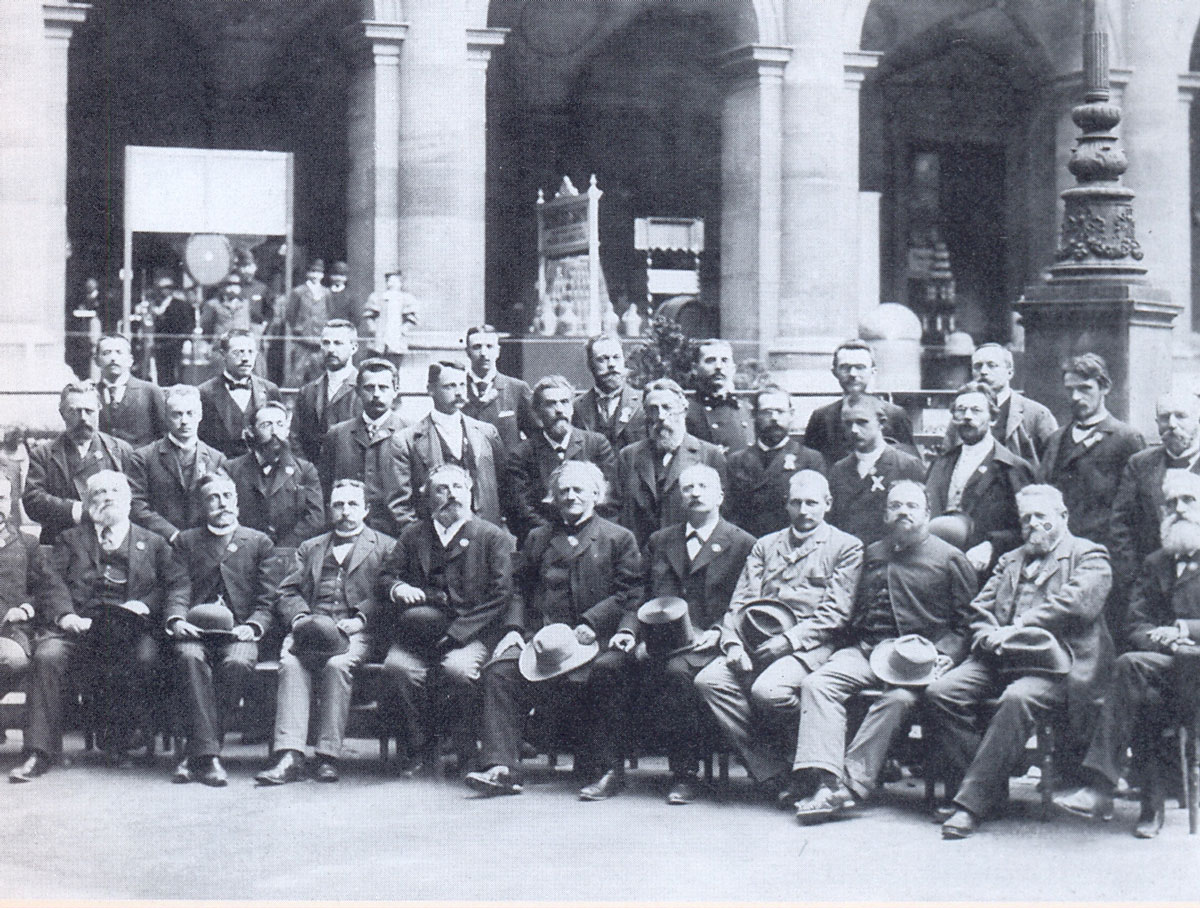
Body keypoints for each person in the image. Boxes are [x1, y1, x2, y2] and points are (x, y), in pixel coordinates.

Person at [926, 484, 1113, 840]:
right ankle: (989, 790)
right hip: (1000, 658)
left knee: (1017, 698)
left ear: (1063, 516)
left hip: (1058, 663)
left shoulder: (1090, 555)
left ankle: (970, 805)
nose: (1032, 525)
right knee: (941, 693)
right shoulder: (1010, 559)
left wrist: (1017, 627)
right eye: (1026, 519)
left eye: (1041, 516)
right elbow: (979, 608)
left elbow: (1075, 605)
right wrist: (987, 635)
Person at [790, 480, 978, 822]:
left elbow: (967, 624)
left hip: (917, 660)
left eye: (911, 506)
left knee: (898, 701)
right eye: (895, 506)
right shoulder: (874, 553)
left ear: (927, 514)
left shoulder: (951, 558)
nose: (903, 512)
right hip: (867, 650)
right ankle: (825, 781)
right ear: (885, 513)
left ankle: (847, 788)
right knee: (818, 684)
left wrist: (945, 655)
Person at [464, 461, 642, 800]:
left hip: (596, 637)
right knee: (501, 672)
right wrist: (514, 629)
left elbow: (630, 593)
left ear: (596, 494)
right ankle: (501, 768)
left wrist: (592, 622)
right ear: (553, 498)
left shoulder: (618, 538)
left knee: (608, 671)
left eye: (579, 490)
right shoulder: (538, 538)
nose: (571, 496)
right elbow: (519, 588)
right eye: (563, 491)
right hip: (544, 640)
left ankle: (608, 770)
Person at [694, 470, 862, 794]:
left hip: (811, 646)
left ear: (828, 504)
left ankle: (815, 759)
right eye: (796, 503)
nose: (804, 511)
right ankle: (772, 772)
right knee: (710, 680)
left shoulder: (846, 547)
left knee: (769, 691)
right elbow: (740, 602)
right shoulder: (765, 545)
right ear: (786, 504)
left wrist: (788, 641)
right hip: (754, 642)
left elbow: (835, 614)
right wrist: (733, 645)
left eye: (812, 503)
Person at [14, 471, 189, 780]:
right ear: (87, 502)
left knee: (147, 657)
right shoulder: (69, 539)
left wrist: (145, 605)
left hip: (132, 627)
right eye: (99, 493)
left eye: (115, 491)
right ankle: (39, 752)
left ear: (129, 500)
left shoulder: (153, 542)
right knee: (47, 656)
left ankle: (126, 737)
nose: (108, 497)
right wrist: (66, 615)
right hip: (78, 625)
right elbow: (50, 582)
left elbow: (173, 584)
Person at [1054, 469, 1200, 838]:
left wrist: (1184, 630)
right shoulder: (1156, 563)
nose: (1179, 509)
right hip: (1166, 669)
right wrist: (1165, 641)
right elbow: (1136, 625)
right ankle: (1150, 811)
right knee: (1143, 698)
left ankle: (1101, 787)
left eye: (1189, 500)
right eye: (1171, 503)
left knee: (1130, 669)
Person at [610, 464, 755, 804]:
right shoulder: (660, 540)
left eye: (703, 486)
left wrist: (719, 632)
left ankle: (684, 773)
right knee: (612, 666)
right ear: (679, 497)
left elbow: (746, 601)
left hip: (711, 641)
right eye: (687, 488)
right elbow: (641, 594)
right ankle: (607, 770)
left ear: (720, 496)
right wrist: (634, 633)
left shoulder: (742, 543)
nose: (695, 493)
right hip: (659, 639)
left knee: (677, 672)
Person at [256, 479, 395, 785]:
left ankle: (327, 755)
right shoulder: (310, 547)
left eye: (353, 504)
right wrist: (300, 618)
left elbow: (387, 593)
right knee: (291, 664)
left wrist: (361, 619)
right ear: (330, 509)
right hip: (310, 627)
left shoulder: (386, 547)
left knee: (337, 665)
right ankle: (290, 755)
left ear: (366, 509)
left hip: (354, 631)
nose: (345, 511)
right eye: (339, 505)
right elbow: (287, 590)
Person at [377, 464, 515, 770]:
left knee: (458, 671)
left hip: (470, 632)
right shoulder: (413, 534)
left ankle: (465, 749)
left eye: (458, 487)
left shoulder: (492, 536)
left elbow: (501, 595)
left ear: (470, 493)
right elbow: (385, 578)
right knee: (397, 669)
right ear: (428, 498)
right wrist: (399, 587)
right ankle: (417, 751)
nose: (451, 495)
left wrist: (458, 634)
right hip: (418, 633)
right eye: (442, 489)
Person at [167, 473, 275, 787]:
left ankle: (196, 755)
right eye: (213, 498)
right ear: (202, 505)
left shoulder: (258, 542)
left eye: (227, 496)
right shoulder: (186, 541)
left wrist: (254, 625)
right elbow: (178, 589)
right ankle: (209, 757)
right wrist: (177, 620)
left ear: (237, 502)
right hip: (196, 631)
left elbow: (268, 598)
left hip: (240, 630)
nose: (222, 504)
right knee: (189, 659)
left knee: (238, 663)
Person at [1038, 353, 1144, 560]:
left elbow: (1136, 512)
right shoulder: (1055, 440)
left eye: (1085, 388)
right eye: (1070, 389)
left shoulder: (1127, 439)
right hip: (1059, 553)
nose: (1076, 397)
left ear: (1105, 388)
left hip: (1106, 554)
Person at [925, 382, 1035, 573]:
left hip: (989, 571)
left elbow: (1033, 526)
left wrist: (993, 546)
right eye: (961, 410)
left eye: (976, 410)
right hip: (937, 568)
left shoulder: (1012, 468)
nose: (967, 416)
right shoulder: (940, 464)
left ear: (993, 418)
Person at [389, 360, 506, 531]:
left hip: (483, 535)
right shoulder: (406, 440)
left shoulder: (486, 432)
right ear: (430, 389)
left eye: (462, 385)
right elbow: (400, 504)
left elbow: (504, 487)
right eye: (450, 386)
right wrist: (420, 539)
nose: (458, 392)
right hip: (433, 537)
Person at [0, 473, 66, 773]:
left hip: (11, 633)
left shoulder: (26, 543)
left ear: (11, 502)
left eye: (2, 498)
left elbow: (46, 588)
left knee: (12, 660)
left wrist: (28, 607)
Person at [615, 378, 727, 548]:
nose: (660, 416)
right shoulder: (629, 456)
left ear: (684, 410)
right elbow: (615, 508)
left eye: (667, 408)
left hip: (687, 552)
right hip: (639, 554)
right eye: (653, 409)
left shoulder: (709, 455)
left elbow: (723, 513)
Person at [509, 375, 616, 541]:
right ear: (536, 411)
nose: (559, 410)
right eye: (550, 404)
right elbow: (522, 511)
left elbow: (609, 500)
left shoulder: (597, 445)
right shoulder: (522, 455)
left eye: (565, 402)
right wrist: (559, 539)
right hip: (543, 543)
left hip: (593, 540)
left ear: (572, 408)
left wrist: (583, 536)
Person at [24, 381, 133, 544]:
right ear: (62, 413)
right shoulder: (43, 454)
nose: (83, 418)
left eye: (89, 411)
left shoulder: (120, 450)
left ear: (99, 410)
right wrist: (78, 511)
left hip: (109, 543)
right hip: (61, 543)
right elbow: (33, 501)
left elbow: (136, 498)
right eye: (74, 411)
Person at [1111, 390, 1200, 584]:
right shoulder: (1140, 464)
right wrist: (1136, 579)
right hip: (1152, 581)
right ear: (1157, 422)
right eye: (1165, 418)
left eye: (1181, 416)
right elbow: (1121, 525)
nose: (1172, 424)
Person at [318, 358, 408, 538]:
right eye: (369, 388)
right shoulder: (337, 434)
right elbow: (325, 486)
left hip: (395, 533)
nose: (376, 394)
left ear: (395, 391)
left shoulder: (409, 433)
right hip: (346, 530)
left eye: (383, 387)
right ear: (358, 391)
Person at [128, 384, 228, 544]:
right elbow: (136, 505)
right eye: (177, 414)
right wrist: (172, 534)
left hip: (203, 544)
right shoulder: (144, 457)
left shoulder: (217, 459)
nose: (184, 421)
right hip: (159, 543)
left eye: (190, 413)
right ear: (166, 416)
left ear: (200, 415)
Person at [725, 386, 825, 538]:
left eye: (780, 411)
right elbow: (729, 513)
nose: (774, 418)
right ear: (754, 415)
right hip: (748, 542)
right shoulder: (736, 461)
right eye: (767, 412)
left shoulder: (810, 459)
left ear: (791, 414)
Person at [224, 401, 325, 548]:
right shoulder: (231, 469)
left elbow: (315, 518)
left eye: (280, 424)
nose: (274, 432)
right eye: (266, 425)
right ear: (251, 431)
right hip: (245, 550)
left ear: (287, 430)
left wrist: (281, 549)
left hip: (290, 552)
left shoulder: (305, 471)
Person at [827, 397, 925, 546]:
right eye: (848, 424)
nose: (854, 430)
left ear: (881, 423)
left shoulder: (907, 466)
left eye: (862, 422)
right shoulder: (838, 470)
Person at [944, 343, 1058, 466]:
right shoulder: (964, 414)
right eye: (978, 366)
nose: (983, 372)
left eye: (992, 365)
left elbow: (1054, 463)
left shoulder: (1037, 414)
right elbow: (947, 461)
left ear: (1009, 372)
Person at [803, 339, 914, 464]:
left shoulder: (895, 415)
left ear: (873, 371)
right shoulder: (822, 417)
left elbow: (909, 464)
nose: (853, 374)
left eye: (860, 367)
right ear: (834, 372)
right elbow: (810, 464)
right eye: (845, 368)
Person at [197, 329, 283, 458]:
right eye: (238, 353)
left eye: (250, 352)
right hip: (221, 466)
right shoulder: (204, 393)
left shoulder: (270, 390)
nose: (245, 358)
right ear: (223, 354)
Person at [291, 319, 361, 465]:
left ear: (354, 348)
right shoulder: (307, 392)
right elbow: (295, 438)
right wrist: (308, 471)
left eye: (338, 343)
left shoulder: (364, 390)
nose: (331, 349)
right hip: (313, 473)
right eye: (326, 343)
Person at [462, 324, 535, 450]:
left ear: (498, 351)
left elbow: (535, 437)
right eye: (477, 347)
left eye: (489, 346)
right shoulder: (457, 389)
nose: (483, 353)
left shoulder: (517, 389)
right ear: (467, 352)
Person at [572, 334, 647, 451]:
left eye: (616, 357)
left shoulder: (644, 402)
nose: (612, 364)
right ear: (590, 365)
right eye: (603, 359)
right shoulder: (576, 407)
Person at [94, 333, 168, 448]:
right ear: (96, 361)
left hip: (140, 458)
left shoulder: (150, 391)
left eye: (119, 352)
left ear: (130, 360)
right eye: (106, 353)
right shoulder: (91, 393)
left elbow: (165, 436)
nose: (113, 358)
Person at [685, 339, 754, 454]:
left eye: (724, 360)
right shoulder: (686, 411)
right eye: (710, 361)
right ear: (695, 369)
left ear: (733, 369)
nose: (718, 366)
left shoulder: (746, 409)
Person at [282, 258, 331, 387]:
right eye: (312, 272)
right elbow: (290, 314)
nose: (315, 275)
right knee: (298, 371)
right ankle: (292, 396)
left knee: (319, 370)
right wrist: (299, 328)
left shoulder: (326, 292)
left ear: (322, 275)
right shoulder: (298, 292)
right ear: (307, 273)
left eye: (319, 272)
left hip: (320, 338)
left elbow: (330, 312)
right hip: (302, 339)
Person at [360, 270, 420, 364]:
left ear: (400, 283)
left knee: (394, 360)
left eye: (395, 281)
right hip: (380, 334)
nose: (392, 284)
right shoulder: (377, 297)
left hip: (397, 334)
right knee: (377, 360)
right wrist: (373, 327)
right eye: (389, 281)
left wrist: (405, 328)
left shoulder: (406, 299)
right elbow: (369, 315)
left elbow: (412, 318)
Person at [145, 272, 193, 386]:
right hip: (158, 345)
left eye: (167, 288)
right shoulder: (154, 305)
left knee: (175, 373)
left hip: (175, 345)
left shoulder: (180, 305)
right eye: (161, 288)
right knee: (160, 373)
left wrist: (181, 339)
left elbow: (188, 324)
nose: (163, 291)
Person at [200, 273, 253, 343]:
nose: (233, 287)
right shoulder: (213, 304)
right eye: (229, 284)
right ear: (222, 286)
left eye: (237, 284)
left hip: (242, 343)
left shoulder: (246, 304)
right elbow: (205, 326)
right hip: (221, 343)